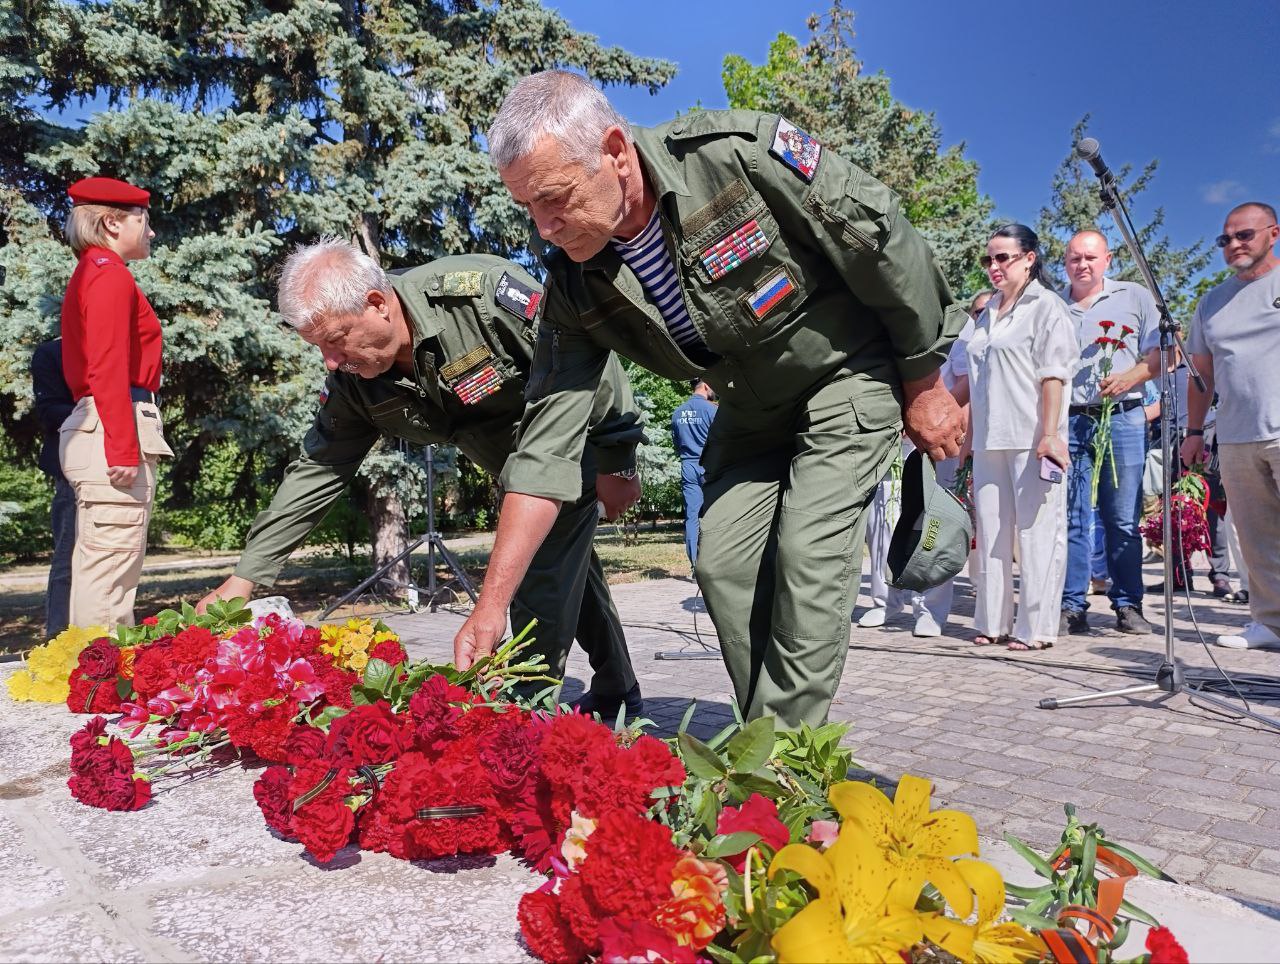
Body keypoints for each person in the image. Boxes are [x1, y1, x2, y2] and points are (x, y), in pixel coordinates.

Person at [453, 70, 966, 728]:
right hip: (749, 410)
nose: (544, 226)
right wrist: (492, 604)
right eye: (528, 207)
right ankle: (772, 744)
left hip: (844, 375)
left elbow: (880, 237)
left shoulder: (735, 156)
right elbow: (545, 449)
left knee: (808, 560)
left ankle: (780, 771)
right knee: (722, 567)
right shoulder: (574, 285)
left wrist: (923, 380)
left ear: (615, 150)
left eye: (555, 198)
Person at [195, 239, 648, 716]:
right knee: (569, 567)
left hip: (568, 453)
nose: (330, 361)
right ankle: (618, 689)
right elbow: (319, 467)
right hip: (513, 475)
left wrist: (618, 458)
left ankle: (517, 717)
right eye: (319, 347)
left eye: (336, 339)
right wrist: (245, 577)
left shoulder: (480, 299)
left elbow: (586, 358)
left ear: (376, 304)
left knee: (539, 575)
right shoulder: (355, 381)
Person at [953, 224, 1077, 651]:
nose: (993, 266)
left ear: (1029, 258)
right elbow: (976, 378)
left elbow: (1054, 375)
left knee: (1037, 532)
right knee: (990, 533)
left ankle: (1037, 628)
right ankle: (992, 621)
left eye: (1003, 257)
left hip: (1032, 437)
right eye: (988, 259)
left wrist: (1050, 434)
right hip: (990, 438)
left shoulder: (1048, 307)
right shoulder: (988, 312)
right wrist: (963, 431)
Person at [58, 176, 173, 630]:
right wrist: (123, 448)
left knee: (102, 568)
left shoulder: (95, 270)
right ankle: (99, 688)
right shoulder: (109, 274)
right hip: (114, 424)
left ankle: (91, 678)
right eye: (143, 220)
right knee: (110, 577)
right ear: (111, 223)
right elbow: (107, 365)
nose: (151, 231)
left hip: (103, 422)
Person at [860, 289, 990, 636]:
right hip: (888, 436)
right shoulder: (873, 312)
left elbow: (963, 380)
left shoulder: (953, 323)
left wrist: (935, 419)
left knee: (931, 521)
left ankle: (930, 608)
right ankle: (884, 600)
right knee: (881, 521)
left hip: (934, 435)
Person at [1180, 202, 1280, 650]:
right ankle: (1269, 622)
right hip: (1237, 436)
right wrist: (1194, 431)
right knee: (1257, 538)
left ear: (1273, 234)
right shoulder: (1212, 302)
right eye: (1225, 239)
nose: (1234, 245)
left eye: (1245, 235)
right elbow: (1201, 372)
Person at [1057, 230, 1160, 636]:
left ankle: (1128, 604)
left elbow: (1164, 351)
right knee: (1071, 516)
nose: (1082, 265)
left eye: (1090, 257)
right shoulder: (1052, 303)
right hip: (1070, 418)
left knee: (1122, 518)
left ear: (1108, 259)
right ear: (1064, 262)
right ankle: (1072, 605)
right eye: (1074, 258)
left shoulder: (1134, 296)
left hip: (1123, 416)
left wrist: (1130, 376)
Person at [30, 338, 77, 638]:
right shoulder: (51, 353)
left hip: (121, 463)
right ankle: (57, 638)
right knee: (67, 557)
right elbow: (49, 412)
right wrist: (100, 408)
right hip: (72, 468)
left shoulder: (118, 348)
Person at [670, 378, 717, 566]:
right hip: (709, 466)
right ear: (706, 384)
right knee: (714, 513)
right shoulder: (712, 410)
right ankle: (713, 562)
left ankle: (694, 565)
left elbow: (676, 444)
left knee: (692, 516)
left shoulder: (677, 413)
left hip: (688, 466)